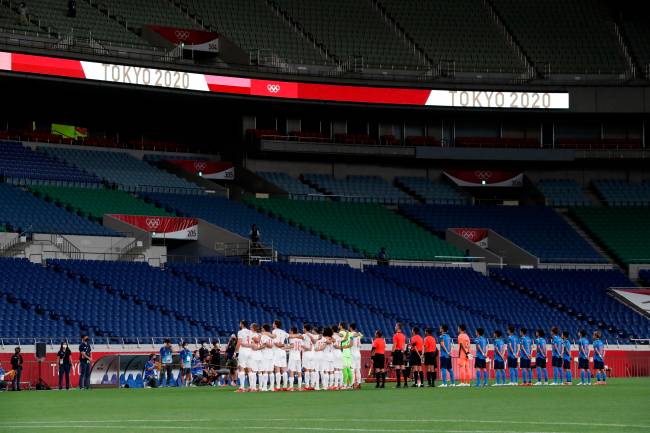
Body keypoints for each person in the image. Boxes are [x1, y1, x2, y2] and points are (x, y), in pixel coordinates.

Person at [272, 320, 289, 391]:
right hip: (283, 352)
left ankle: (278, 386)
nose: (272, 324)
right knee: (284, 370)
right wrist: (284, 345)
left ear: (275, 325)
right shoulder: (283, 331)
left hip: (277, 351)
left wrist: (280, 345)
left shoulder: (274, 331)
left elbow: (276, 344)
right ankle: (285, 386)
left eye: (273, 323)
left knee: (277, 369)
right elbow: (289, 337)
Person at [236, 320, 252, 392]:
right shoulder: (250, 332)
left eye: (240, 323)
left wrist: (236, 351)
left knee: (241, 368)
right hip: (250, 351)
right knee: (249, 369)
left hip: (243, 351)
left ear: (242, 324)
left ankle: (242, 387)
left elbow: (239, 342)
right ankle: (251, 387)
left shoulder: (240, 332)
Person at [392, 322, 407, 388]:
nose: (395, 327)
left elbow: (394, 345)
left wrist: (392, 353)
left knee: (397, 367)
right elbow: (403, 345)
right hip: (401, 352)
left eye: (395, 326)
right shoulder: (403, 336)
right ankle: (405, 383)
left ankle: (398, 384)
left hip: (397, 352)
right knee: (403, 367)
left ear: (398, 327)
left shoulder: (395, 335)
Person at [349, 323, 363, 389]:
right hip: (358, 353)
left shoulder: (351, 334)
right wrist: (359, 334)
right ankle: (359, 383)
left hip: (353, 353)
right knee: (358, 369)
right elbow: (361, 336)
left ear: (351, 327)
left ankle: (352, 384)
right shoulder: (358, 335)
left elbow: (351, 343)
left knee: (352, 369)